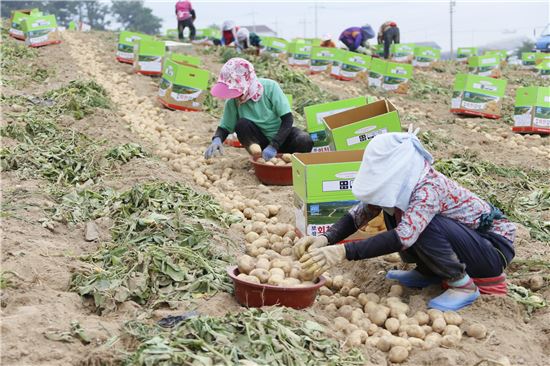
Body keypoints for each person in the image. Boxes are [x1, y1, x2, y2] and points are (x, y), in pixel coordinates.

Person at [295, 127, 515, 311]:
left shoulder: (429, 189)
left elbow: (403, 237)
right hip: (465, 242)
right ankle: (430, 271)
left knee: (422, 225)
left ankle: (462, 284)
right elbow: (361, 213)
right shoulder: (401, 187)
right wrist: (325, 239)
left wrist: (343, 252)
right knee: (391, 211)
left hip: (491, 250)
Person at [204, 58, 313, 160]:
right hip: (259, 144)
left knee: (304, 139)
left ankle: (290, 161)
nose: (235, 95)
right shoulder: (233, 100)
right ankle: (259, 158)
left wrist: (274, 145)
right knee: (242, 124)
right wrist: (217, 139)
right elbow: (225, 128)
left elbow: (288, 119)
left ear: (247, 83)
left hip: (282, 138)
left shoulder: (270, 87)